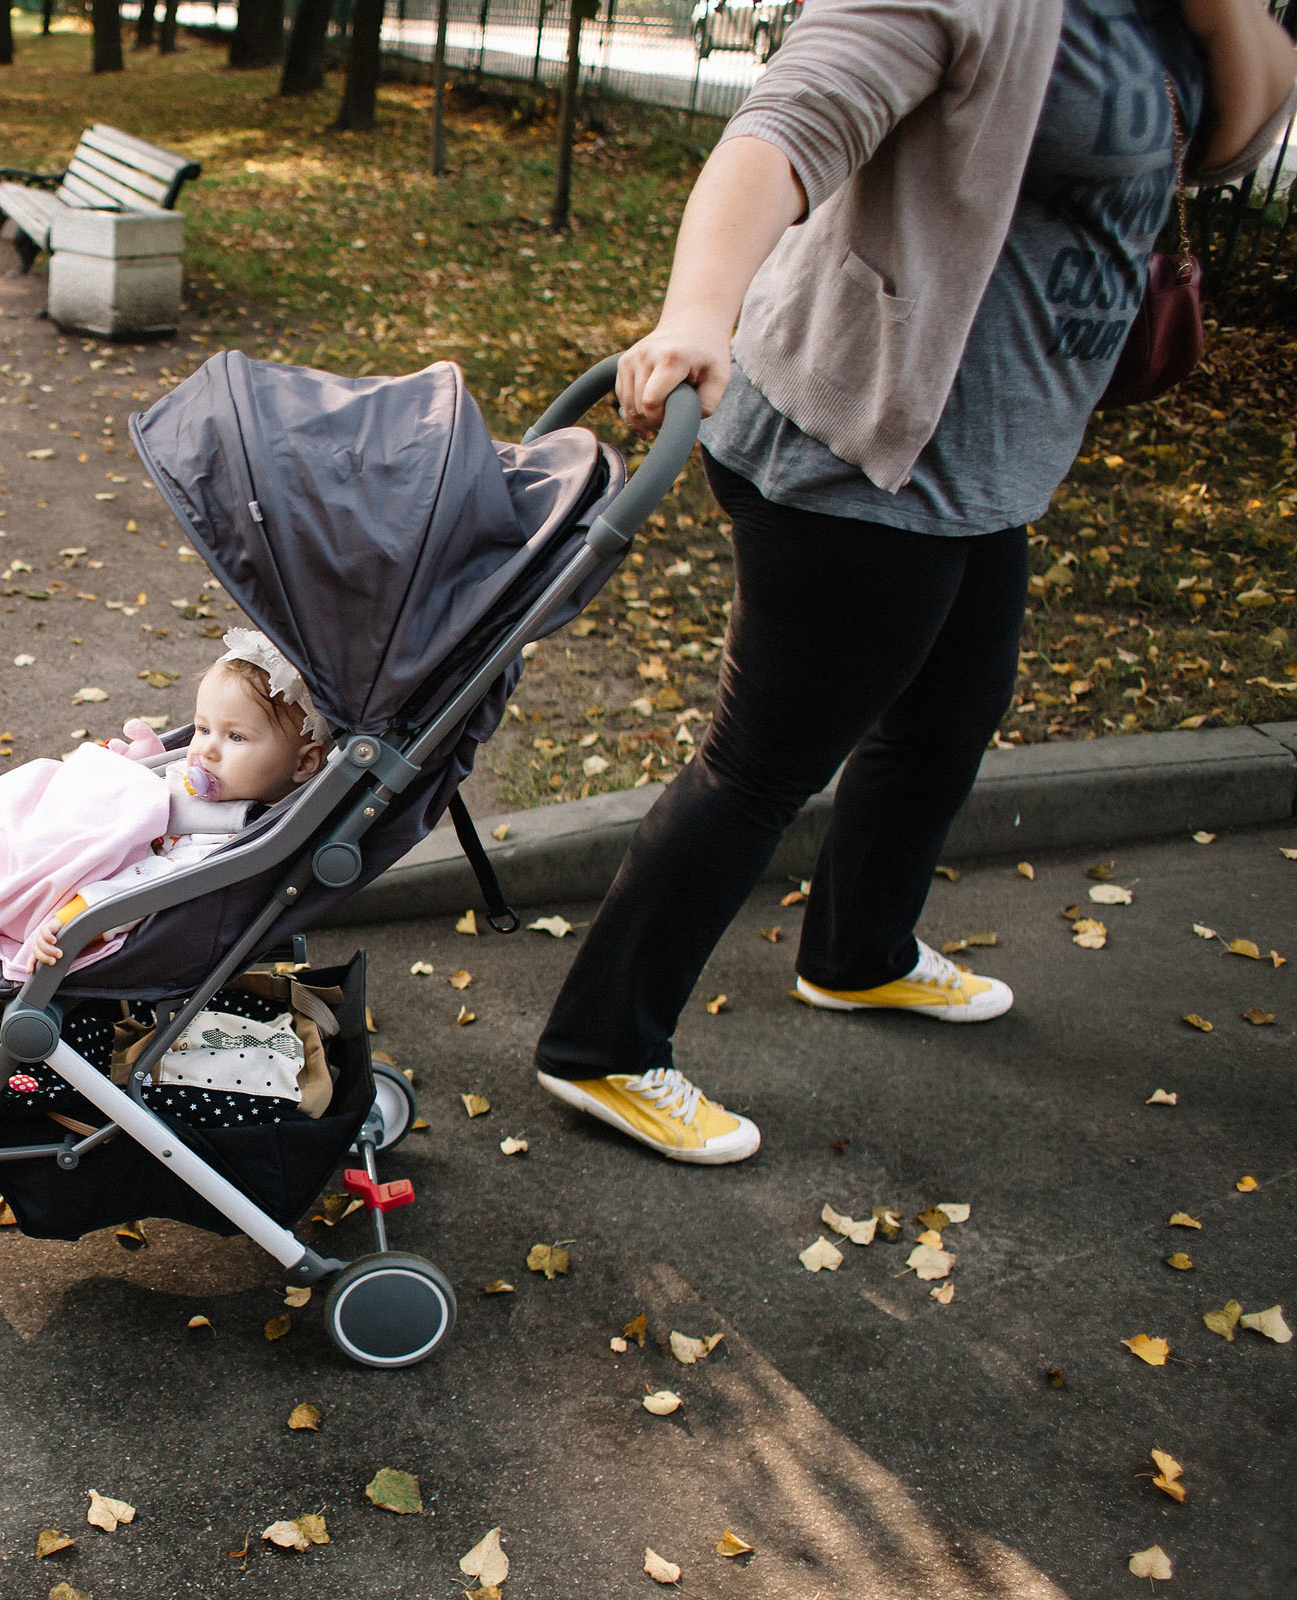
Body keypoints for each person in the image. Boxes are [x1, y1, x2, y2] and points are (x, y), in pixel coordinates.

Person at [532, 0, 1297, 1165]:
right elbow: (785, 128)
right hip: (862, 450)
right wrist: (699, 309)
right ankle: (602, 1046)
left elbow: (1240, 141)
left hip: (986, 458)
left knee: (951, 709)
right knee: (762, 763)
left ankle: (859, 952)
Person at [0, 630, 326, 980]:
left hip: (78, 877)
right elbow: (152, 787)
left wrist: (69, 919)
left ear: (304, 764)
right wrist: (133, 769)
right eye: (203, 729)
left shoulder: (227, 836)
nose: (206, 750)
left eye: (236, 736)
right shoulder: (216, 780)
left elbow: (141, 886)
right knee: (18, 794)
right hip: (65, 826)